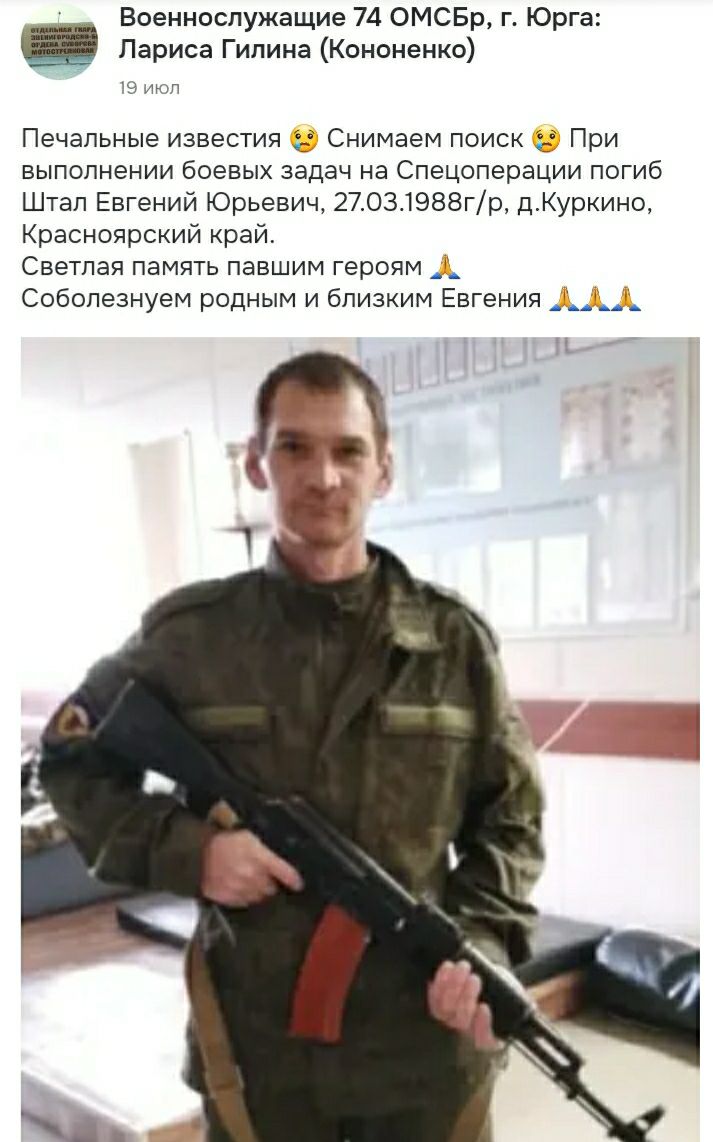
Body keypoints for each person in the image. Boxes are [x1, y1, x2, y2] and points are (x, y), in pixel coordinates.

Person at [40, 351, 545, 1142]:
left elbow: (510, 820)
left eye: (348, 451)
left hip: (421, 1051)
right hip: (260, 1059)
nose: (323, 477)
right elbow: (71, 755)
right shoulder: (191, 636)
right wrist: (192, 852)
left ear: (383, 469)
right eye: (294, 448)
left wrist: (479, 945)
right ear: (255, 464)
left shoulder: (452, 642)